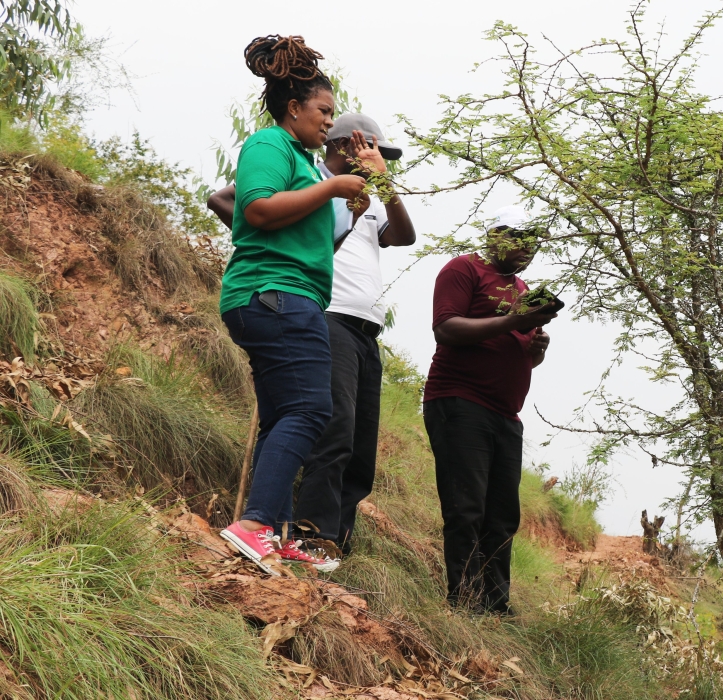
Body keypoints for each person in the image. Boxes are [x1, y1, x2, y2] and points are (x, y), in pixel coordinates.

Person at [209, 114, 416, 564]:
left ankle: (300, 538)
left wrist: (380, 185)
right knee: (324, 421)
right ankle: (301, 531)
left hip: (364, 322)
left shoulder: (362, 197)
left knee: (353, 441)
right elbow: (230, 200)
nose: (379, 160)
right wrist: (279, 245)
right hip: (317, 310)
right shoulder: (312, 176)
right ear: (347, 144)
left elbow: (404, 236)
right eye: (372, 150)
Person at [216, 35, 365, 575]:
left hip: (288, 294)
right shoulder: (269, 146)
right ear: (294, 107)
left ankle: (273, 534)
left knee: (284, 414)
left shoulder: (302, 160)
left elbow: (315, 241)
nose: (330, 122)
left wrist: (347, 197)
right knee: (312, 410)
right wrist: (329, 190)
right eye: (323, 112)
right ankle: (254, 525)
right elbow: (255, 210)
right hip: (274, 295)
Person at [422, 206, 557, 615]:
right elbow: (446, 328)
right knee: (467, 507)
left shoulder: (522, 287)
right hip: (460, 402)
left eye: (535, 241)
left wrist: (535, 350)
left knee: (502, 515)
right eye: (519, 238)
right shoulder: (463, 269)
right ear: (495, 234)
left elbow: (514, 353)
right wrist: (514, 320)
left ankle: (496, 604)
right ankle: (463, 602)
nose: (528, 248)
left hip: (505, 415)